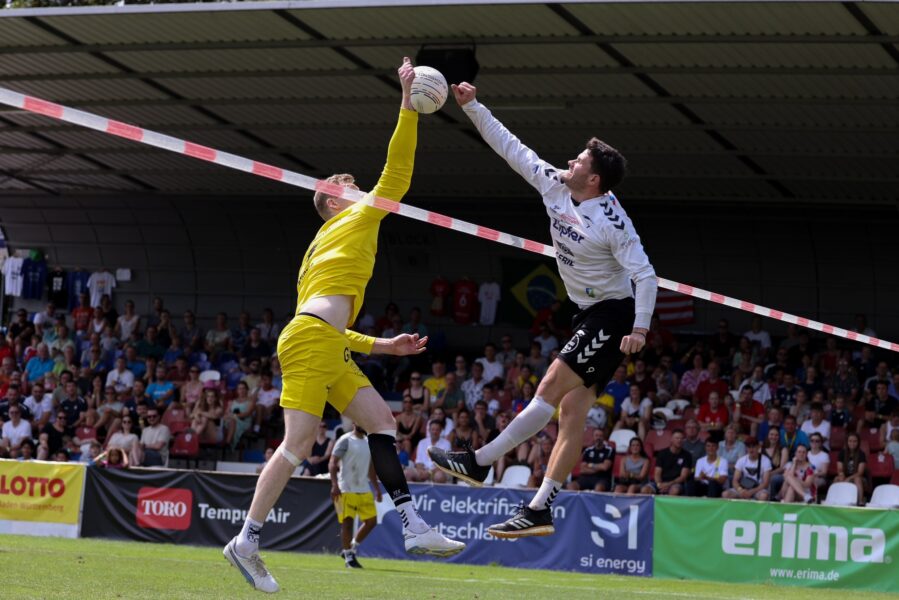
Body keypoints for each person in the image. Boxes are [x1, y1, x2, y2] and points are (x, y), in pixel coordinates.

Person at [224, 59, 463, 593]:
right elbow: (397, 176)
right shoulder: (351, 219)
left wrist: (385, 345)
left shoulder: (323, 248)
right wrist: (406, 104)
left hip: (323, 341)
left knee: (382, 423)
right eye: (346, 186)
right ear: (334, 202)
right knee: (296, 447)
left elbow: (326, 321)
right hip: (313, 342)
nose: (358, 189)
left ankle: (413, 526)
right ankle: (246, 539)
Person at [428, 79, 656, 539]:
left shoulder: (613, 223)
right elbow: (512, 148)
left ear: (593, 180)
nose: (569, 162)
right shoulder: (555, 185)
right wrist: (473, 107)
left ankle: (479, 461)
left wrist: (640, 329)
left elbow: (645, 275)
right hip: (584, 311)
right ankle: (540, 509)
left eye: (579, 161)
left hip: (612, 314)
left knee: (550, 385)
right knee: (571, 414)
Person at [329, 423, 382, 569]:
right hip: (346, 488)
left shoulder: (368, 442)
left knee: (371, 521)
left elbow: (370, 468)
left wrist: (377, 488)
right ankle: (349, 557)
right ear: (354, 423)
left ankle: (350, 547)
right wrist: (334, 484)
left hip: (364, 488)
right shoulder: (345, 440)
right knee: (347, 523)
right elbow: (333, 463)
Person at [641, 430, 692, 496]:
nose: (679, 440)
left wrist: (668, 484)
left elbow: (683, 476)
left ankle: (666, 506)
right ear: (671, 439)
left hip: (675, 483)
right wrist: (659, 485)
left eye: (681, 438)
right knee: (645, 490)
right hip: (660, 482)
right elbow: (657, 473)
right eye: (677, 438)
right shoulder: (662, 453)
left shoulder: (687, 455)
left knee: (675, 490)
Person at [834, 431, 867, 505]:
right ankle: (836, 500)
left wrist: (848, 478)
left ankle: (860, 501)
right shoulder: (842, 453)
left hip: (859, 478)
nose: (852, 443)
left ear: (858, 442)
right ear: (847, 442)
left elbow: (860, 472)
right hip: (845, 476)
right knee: (837, 479)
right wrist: (841, 474)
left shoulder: (861, 454)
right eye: (850, 441)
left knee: (857, 479)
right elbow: (839, 468)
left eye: (855, 441)